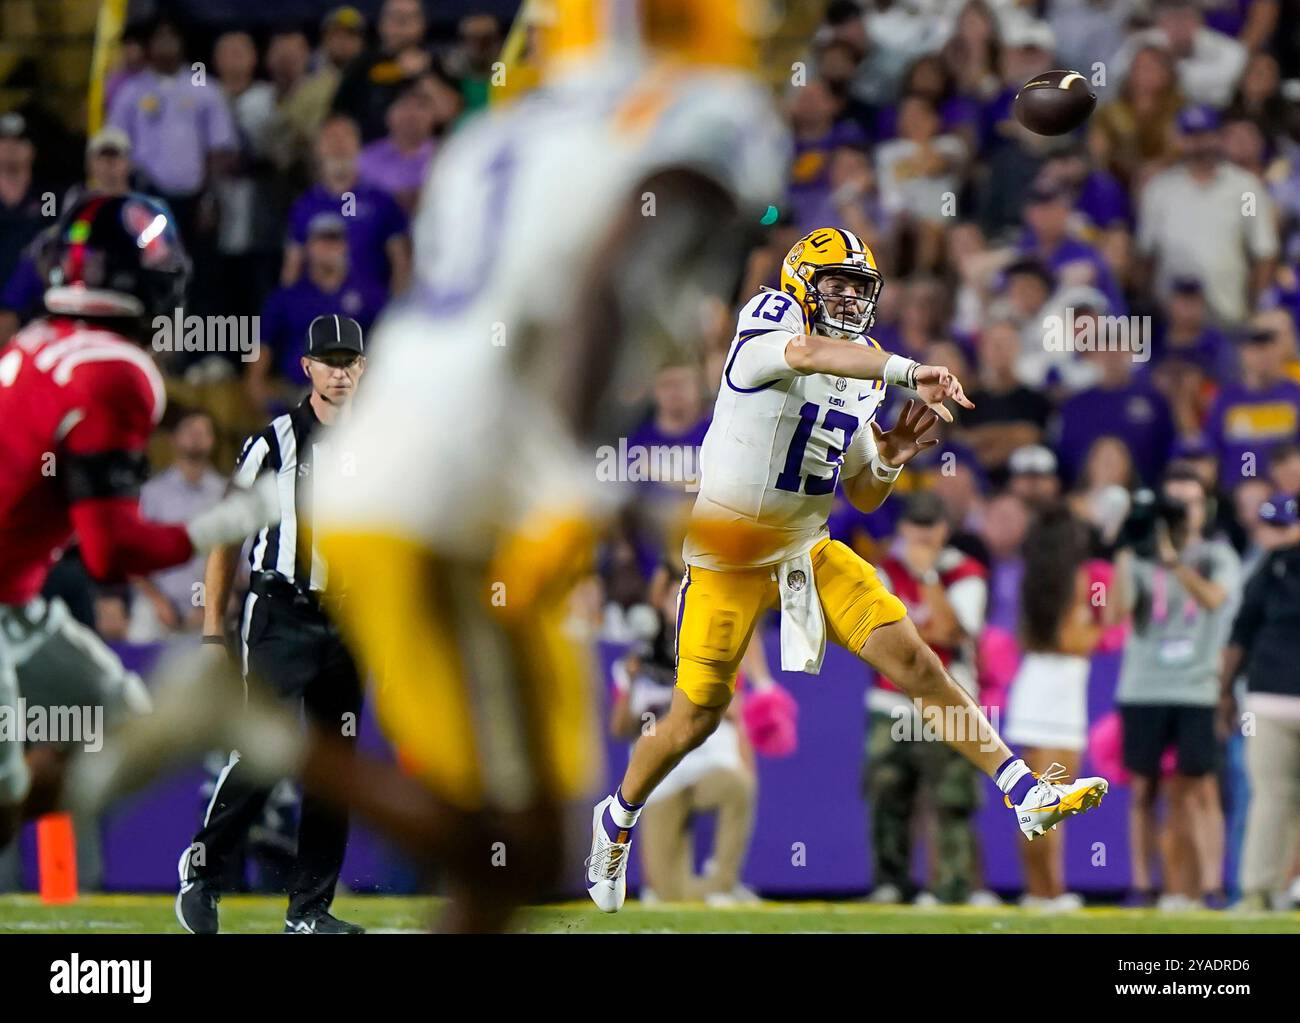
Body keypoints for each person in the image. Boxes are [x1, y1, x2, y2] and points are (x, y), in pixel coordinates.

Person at [82, 0, 799, 935]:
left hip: (396, 463)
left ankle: (241, 722)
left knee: (520, 846)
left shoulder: (503, 132)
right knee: (509, 837)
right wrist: (585, 480)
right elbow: (605, 291)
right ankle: (241, 721)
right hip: (460, 482)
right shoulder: (707, 116)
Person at [586, 226, 1109, 914]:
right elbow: (803, 352)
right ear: (802, 283)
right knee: (694, 717)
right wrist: (902, 370)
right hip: (728, 550)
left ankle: (1023, 791)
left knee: (915, 659)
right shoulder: (772, 317)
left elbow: (862, 490)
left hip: (806, 544)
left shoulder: (861, 361)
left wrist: (892, 450)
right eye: (837, 284)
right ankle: (617, 818)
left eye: (861, 289)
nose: (851, 300)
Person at [0, 193, 279, 847]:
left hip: (19, 601)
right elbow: (108, 553)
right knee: (5, 802)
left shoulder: (39, 340)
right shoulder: (117, 371)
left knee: (125, 717)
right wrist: (228, 518)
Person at [177, 315, 368, 935]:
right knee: (264, 747)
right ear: (307, 367)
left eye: (350, 361)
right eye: (328, 361)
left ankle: (308, 911)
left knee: (334, 767)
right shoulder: (274, 440)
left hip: (348, 619)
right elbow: (226, 533)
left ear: (363, 369)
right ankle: (202, 872)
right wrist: (211, 630)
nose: (340, 372)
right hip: (281, 610)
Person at [1109, 463, 1241, 909]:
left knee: (1200, 787)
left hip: (1195, 687)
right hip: (1143, 687)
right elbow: (1117, 613)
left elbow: (1215, 600)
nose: (1181, 514)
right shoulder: (1140, 556)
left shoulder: (1216, 554)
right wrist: (1127, 549)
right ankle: (1142, 885)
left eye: (1189, 504)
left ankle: (1210, 885)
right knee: (1142, 788)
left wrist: (1175, 564)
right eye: (1174, 504)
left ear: (1204, 508)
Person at [866, 490, 990, 906]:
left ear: (944, 530)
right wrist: (926, 628)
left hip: (948, 699)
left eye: (930, 526)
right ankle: (890, 882)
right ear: (903, 528)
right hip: (891, 699)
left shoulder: (965, 572)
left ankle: (954, 887)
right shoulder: (881, 570)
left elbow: (955, 631)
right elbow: (881, 636)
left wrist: (927, 578)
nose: (921, 535)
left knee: (952, 796)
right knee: (887, 790)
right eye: (915, 526)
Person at [609, 587, 756, 905]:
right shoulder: (635, 663)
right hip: (659, 777)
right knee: (667, 895)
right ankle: (701, 893)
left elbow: (738, 714)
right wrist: (634, 680)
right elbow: (619, 728)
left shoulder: (716, 653)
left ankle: (722, 884)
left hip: (707, 761)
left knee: (738, 787)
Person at [1003, 503, 1102, 909]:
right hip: (1055, 691)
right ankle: (1051, 891)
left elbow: (1029, 638)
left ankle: (1039, 890)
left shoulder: (1035, 578)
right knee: (1051, 803)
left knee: (1041, 803)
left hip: (1043, 689)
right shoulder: (1076, 579)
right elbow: (1074, 641)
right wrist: (1102, 629)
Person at [1219, 493, 1300, 910]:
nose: (1274, 536)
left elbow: (1239, 636)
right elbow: (1238, 634)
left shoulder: (1267, 568)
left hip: (1267, 697)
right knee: (1273, 797)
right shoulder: (1266, 568)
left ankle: (1259, 891)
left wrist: (1223, 695)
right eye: (1268, 526)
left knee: (1271, 797)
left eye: (1281, 526)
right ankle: (1266, 890)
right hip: (1269, 698)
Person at [129, 410, 227, 642]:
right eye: (189, 431)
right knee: (140, 631)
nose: (195, 437)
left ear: (212, 440)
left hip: (213, 604)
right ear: (173, 439)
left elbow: (239, 562)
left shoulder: (225, 494)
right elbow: (133, 557)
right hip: (158, 604)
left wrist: (211, 607)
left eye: (202, 432)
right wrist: (158, 601)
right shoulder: (151, 494)